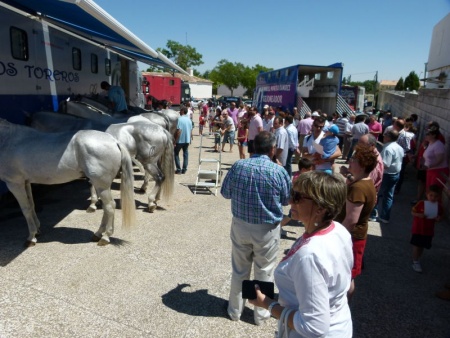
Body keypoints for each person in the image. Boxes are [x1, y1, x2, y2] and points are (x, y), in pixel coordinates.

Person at [249, 171, 353, 337]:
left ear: (320, 208)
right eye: (292, 193)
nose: (290, 200)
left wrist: (267, 304)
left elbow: (314, 327)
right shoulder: (340, 231)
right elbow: (348, 285)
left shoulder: (309, 256)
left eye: (297, 197)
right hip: (341, 326)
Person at [221, 131, 291, 325]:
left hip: (241, 225)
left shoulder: (238, 166)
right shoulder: (278, 171)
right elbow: (287, 199)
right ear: (272, 149)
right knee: (264, 271)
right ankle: (260, 315)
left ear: (253, 147)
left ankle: (234, 310)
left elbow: (225, 193)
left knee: (239, 269)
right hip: (267, 229)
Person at [335, 144, 377, 299]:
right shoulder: (365, 182)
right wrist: (349, 177)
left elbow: (351, 219)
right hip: (355, 236)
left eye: (353, 159)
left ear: (363, 165)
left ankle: (341, 306)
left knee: (346, 276)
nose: (350, 161)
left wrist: (337, 239)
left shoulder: (358, 188)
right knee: (347, 275)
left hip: (351, 237)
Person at [410, 185, 443, 273]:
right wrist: (418, 215)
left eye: (435, 196)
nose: (433, 198)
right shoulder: (421, 203)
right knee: (417, 245)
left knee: (422, 246)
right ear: (427, 194)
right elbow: (413, 211)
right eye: (431, 195)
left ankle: (417, 258)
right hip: (418, 229)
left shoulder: (438, 206)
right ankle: (415, 260)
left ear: (439, 197)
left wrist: (439, 219)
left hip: (428, 230)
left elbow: (440, 216)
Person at [280, 157, 315, 234]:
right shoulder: (300, 179)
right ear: (303, 170)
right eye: (309, 169)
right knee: (291, 215)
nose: (311, 171)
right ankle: (279, 227)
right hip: (299, 201)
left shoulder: (299, 176)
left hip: (301, 201)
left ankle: (308, 232)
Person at [376, 130, 404, 223]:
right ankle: (385, 216)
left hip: (387, 175)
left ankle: (372, 214)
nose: (383, 137)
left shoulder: (388, 149)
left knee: (377, 194)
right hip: (395, 174)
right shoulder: (399, 147)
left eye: (384, 135)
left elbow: (386, 165)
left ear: (388, 137)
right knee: (388, 196)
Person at [422, 127, 449, 192]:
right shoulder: (430, 144)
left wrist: (429, 166)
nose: (426, 136)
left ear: (434, 135)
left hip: (438, 171)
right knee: (429, 190)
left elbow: (440, 160)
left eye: (428, 134)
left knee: (434, 191)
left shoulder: (438, 145)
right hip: (431, 170)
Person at [174, 107, 192, 174]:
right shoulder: (189, 120)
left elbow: (179, 131)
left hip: (180, 140)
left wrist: (175, 141)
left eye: (180, 110)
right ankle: (184, 169)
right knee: (185, 154)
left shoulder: (179, 119)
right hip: (187, 140)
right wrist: (190, 139)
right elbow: (190, 131)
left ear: (182, 111)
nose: (179, 111)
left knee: (176, 154)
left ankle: (178, 169)